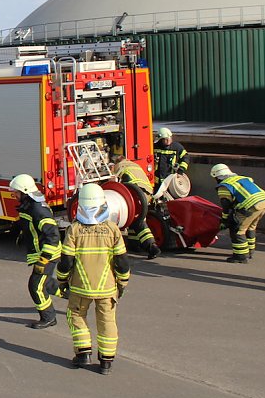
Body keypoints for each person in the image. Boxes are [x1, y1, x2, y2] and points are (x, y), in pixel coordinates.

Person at [56, 183, 130, 375]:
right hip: (107, 288)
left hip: (80, 287)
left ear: (80, 205)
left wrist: (62, 281)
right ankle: (106, 362)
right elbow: (122, 262)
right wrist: (122, 283)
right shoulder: (113, 230)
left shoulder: (74, 230)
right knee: (107, 321)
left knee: (76, 316)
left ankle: (83, 354)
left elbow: (66, 262)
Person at [9, 174, 62, 329]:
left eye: (16, 192)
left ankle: (49, 317)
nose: (14, 195)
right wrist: (22, 234)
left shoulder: (38, 210)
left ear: (25, 192)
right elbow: (31, 226)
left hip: (47, 254)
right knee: (47, 283)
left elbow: (53, 236)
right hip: (42, 253)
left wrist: (44, 260)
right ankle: (72, 294)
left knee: (35, 285)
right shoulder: (29, 205)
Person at [210, 164, 265, 263]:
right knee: (250, 227)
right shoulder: (242, 178)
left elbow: (226, 205)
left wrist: (225, 220)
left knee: (237, 230)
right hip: (263, 203)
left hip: (251, 206)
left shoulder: (224, 186)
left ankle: (240, 256)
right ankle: (249, 251)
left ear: (217, 177)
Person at [112, 156, 161, 259]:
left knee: (138, 222)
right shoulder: (133, 165)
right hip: (146, 194)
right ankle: (134, 244)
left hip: (136, 194)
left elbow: (117, 183)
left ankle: (152, 247)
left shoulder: (120, 166)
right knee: (133, 219)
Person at [153, 127, 188, 194]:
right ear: (161, 139)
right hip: (156, 181)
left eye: (169, 138)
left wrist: (181, 168)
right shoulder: (155, 147)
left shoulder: (176, 147)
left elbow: (185, 157)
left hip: (170, 181)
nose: (168, 140)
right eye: (165, 139)